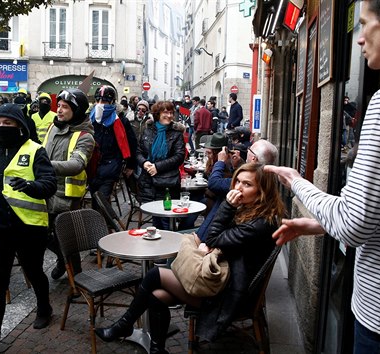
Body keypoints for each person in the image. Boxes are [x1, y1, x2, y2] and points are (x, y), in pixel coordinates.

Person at [266, 1, 380, 352]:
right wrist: (316, 224)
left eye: (363, 24)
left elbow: (352, 224)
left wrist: (295, 181)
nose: (358, 39)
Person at [96, 163, 285, 352]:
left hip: (228, 295)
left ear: (262, 191)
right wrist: (214, 243)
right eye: (237, 182)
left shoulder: (258, 225)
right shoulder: (253, 213)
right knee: (156, 296)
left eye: (247, 184)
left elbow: (212, 237)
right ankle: (155, 348)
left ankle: (124, 326)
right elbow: (216, 239)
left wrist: (227, 206)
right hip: (226, 282)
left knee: (155, 275)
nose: (238, 188)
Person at [0, 103, 57, 354]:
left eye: (8, 123)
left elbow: (49, 184)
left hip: (29, 227)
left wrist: (30, 186)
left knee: (34, 272)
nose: (2, 127)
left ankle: (44, 307)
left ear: (20, 127)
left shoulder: (34, 150)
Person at [42, 89, 95, 280]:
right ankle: (60, 259)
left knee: (68, 241)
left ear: (77, 110)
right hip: (45, 190)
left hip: (67, 196)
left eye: (65, 107)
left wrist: (46, 166)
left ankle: (77, 279)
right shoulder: (52, 127)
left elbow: (77, 164)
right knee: (43, 235)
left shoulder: (85, 136)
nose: (59, 110)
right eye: (59, 106)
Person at [136, 100, 185, 230]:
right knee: (155, 219)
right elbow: (138, 151)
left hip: (168, 183)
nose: (169, 116)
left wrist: (157, 167)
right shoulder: (148, 131)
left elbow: (179, 157)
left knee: (166, 220)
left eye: (171, 113)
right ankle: (157, 248)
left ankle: (169, 248)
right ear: (158, 114)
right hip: (149, 182)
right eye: (165, 112)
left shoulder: (176, 133)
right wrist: (145, 163)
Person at [89, 85, 137, 205]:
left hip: (111, 165)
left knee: (102, 202)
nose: (100, 104)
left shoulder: (120, 120)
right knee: (95, 201)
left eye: (104, 101)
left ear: (111, 102)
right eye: (98, 100)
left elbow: (131, 143)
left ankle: (104, 223)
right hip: (93, 166)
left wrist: (130, 165)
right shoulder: (90, 119)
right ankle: (104, 223)